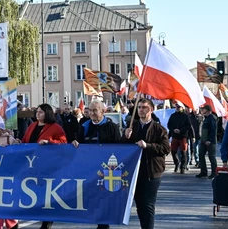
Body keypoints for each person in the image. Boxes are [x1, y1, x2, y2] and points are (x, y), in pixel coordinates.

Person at [121, 98, 170, 229]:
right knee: (140, 205)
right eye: (140, 107)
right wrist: (125, 136)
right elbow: (122, 147)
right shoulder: (132, 126)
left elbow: (165, 148)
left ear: (151, 110)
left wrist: (147, 145)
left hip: (152, 172)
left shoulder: (159, 129)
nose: (141, 110)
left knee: (148, 205)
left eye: (144, 107)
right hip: (135, 172)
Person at [73, 100, 120, 229]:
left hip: (106, 170)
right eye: (90, 110)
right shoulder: (84, 126)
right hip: (90, 168)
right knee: (92, 196)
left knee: (104, 196)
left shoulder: (112, 127)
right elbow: (79, 142)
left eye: (95, 110)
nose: (92, 113)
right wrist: (75, 143)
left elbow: (119, 147)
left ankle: (103, 224)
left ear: (103, 111)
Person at [21, 104, 67, 229]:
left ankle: (47, 221)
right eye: (37, 112)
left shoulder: (55, 127)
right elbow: (25, 141)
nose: (38, 114)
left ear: (47, 113)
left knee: (47, 193)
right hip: (32, 164)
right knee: (36, 192)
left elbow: (63, 143)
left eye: (41, 112)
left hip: (48, 165)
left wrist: (49, 142)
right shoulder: (32, 126)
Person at [166, 102, 191, 174]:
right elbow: (169, 125)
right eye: (176, 107)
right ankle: (176, 163)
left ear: (182, 108)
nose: (177, 108)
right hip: (174, 136)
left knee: (183, 152)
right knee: (173, 152)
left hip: (183, 136)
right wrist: (173, 130)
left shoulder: (185, 116)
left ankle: (182, 167)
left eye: (179, 107)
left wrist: (181, 130)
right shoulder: (173, 116)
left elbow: (188, 126)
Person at [196, 104, 218, 179]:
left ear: (208, 111)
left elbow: (213, 131)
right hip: (203, 140)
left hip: (210, 142)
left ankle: (214, 172)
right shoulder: (205, 118)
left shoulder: (211, 119)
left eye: (204, 110)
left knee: (211, 157)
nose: (202, 111)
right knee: (201, 155)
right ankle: (203, 172)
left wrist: (209, 140)